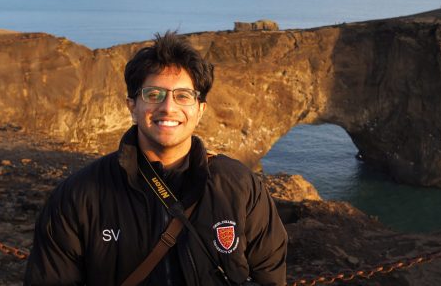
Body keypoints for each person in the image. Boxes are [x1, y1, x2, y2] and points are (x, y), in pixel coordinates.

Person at [24, 32, 287, 286]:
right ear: (132, 107)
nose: (168, 107)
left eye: (183, 96)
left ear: (200, 110)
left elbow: (270, 276)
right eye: (153, 94)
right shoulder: (80, 195)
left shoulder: (240, 187)